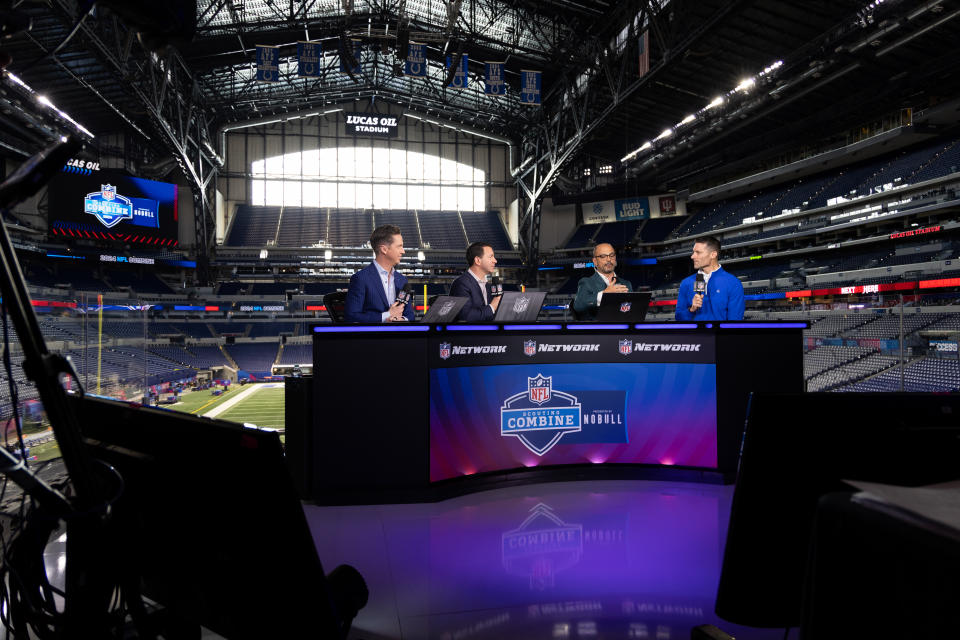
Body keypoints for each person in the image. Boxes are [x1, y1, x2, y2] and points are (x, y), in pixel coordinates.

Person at [344, 224, 415, 322]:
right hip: (373, 336)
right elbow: (351, 317)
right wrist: (387, 316)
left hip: (399, 335)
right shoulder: (361, 279)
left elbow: (410, 314)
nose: (403, 251)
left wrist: (402, 319)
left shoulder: (402, 280)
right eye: (399, 246)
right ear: (384, 249)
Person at [675, 236, 745, 321]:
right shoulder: (686, 283)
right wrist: (691, 310)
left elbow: (735, 322)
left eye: (698, 252)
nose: (692, 256)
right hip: (694, 334)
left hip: (719, 334)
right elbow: (678, 319)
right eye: (693, 252)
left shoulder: (733, 283)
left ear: (713, 254)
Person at [572, 243, 633, 320]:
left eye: (611, 255)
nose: (608, 259)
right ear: (595, 261)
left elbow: (631, 312)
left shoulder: (626, 284)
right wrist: (604, 295)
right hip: (598, 330)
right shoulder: (586, 282)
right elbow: (578, 305)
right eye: (603, 256)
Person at [450, 242, 501, 321]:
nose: (495, 261)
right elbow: (466, 317)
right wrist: (492, 307)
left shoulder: (489, 286)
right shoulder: (461, 284)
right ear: (477, 260)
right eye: (491, 257)